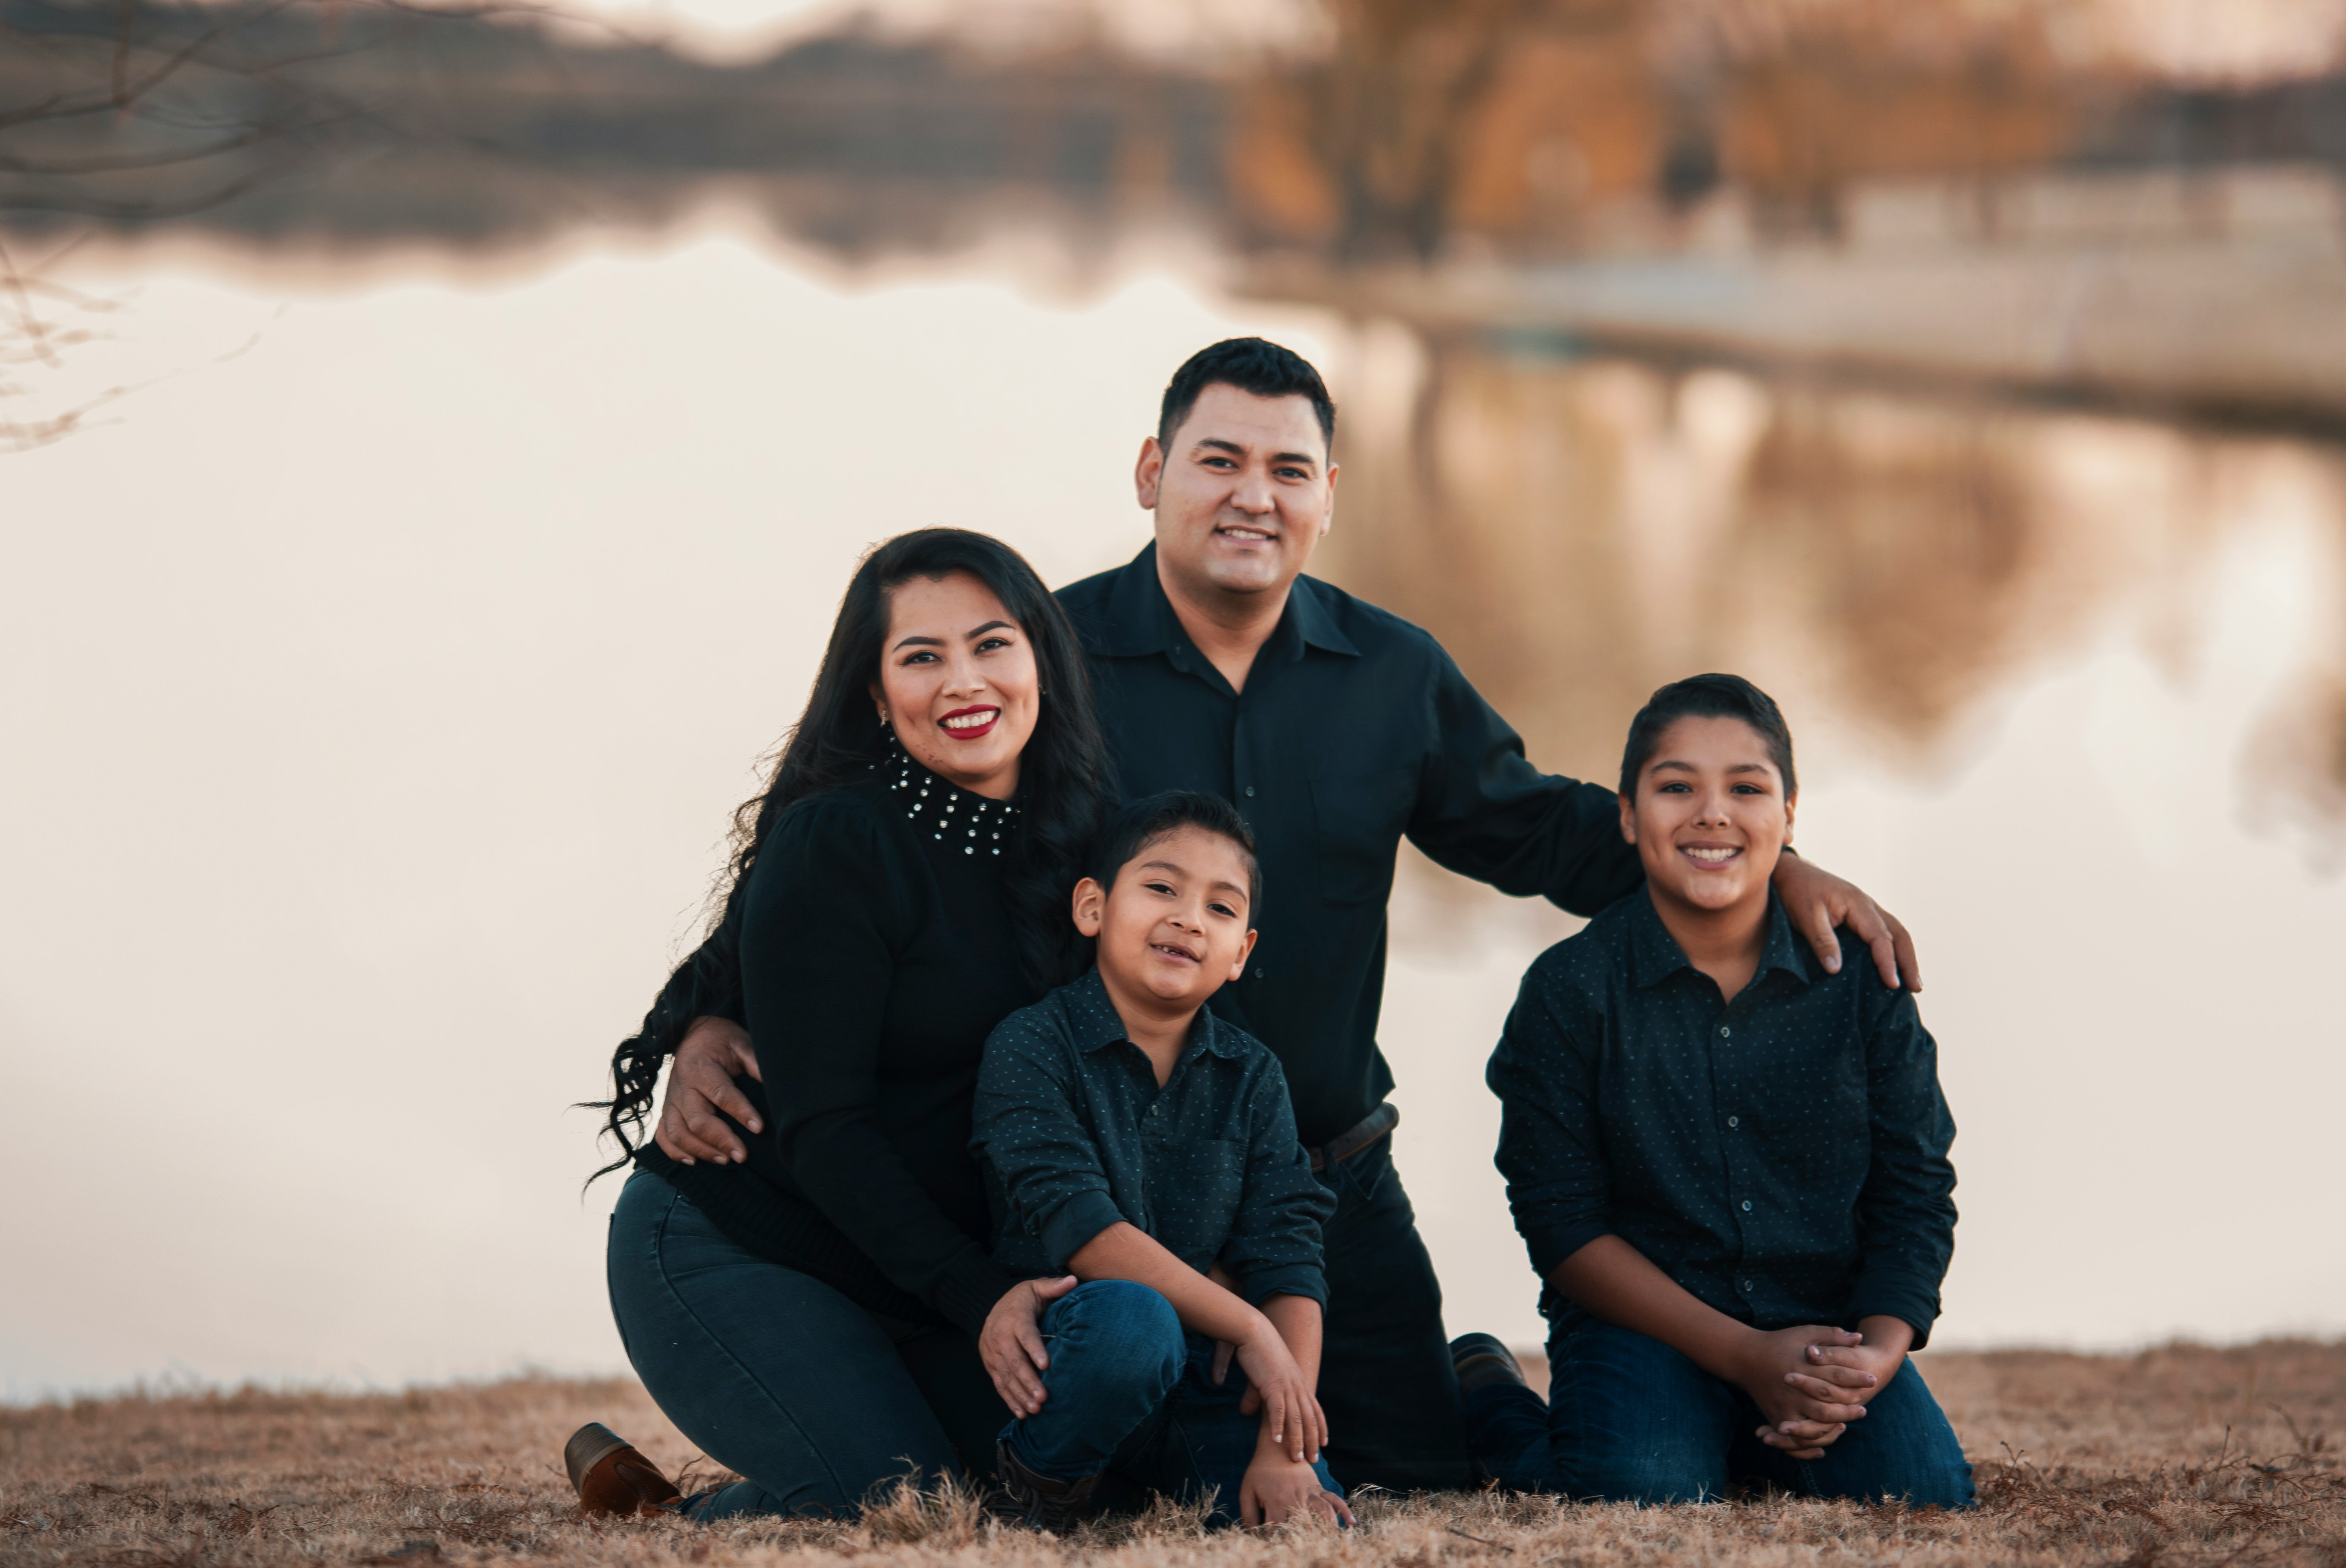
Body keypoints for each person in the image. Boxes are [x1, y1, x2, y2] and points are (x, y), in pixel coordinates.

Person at [648, 340, 1926, 1491]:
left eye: (1288, 468)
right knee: (1132, 1465)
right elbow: (877, 836)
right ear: (1152, 472)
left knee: (1423, 1470)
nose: (1252, 495)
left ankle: (1468, 1377)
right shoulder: (1048, 658)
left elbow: (1540, 830)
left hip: (1325, 1176)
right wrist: (714, 1012)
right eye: (1217, 460)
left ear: (1326, 496)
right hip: (1124, 1182)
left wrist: (1771, 866)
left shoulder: (1394, 673)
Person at [568, 528, 1112, 1519]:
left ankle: (778, 1466)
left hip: (905, 1270)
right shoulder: (839, 839)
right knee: (904, 1508)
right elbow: (826, 1126)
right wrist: (981, 1292)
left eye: (991, 644)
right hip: (737, 1243)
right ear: (872, 693)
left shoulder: (1083, 843)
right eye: (920, 656)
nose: (963, 681)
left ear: (1042, 656)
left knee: (1039, 1482)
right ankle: (660, 1517)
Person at [1457, 674, 1971, 1508]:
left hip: (1818, 1321)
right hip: (1646, 1324)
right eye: (1674, 787)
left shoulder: (1859, 981)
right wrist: (1741, 1357)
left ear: (1790, 815)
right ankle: (1485, 1391)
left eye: (1745, 787)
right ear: (1627, 815)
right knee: (1639, 1489)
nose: (1710, 813)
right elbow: (1559, 1221)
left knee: (1922, 1493)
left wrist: (1871, 1354)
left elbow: (1915, 1184)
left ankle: (1740, 1436)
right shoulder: (1568, 990)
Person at [972, 792, 1348, 1530]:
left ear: (1241, 952)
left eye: (1220, 907)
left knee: (1304, 1525)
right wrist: (1251, 1328)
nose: (1187, 918)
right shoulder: (1031, 1046)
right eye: (1161, 888)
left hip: (1206, 1380)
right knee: (1134, 1323)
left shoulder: (1252, 1075)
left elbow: (1288, 1257)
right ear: (1092, 908)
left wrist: (1284, 1448)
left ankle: (1155, 1484)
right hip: (1074, 1358)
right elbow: (1083, 1231)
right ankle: (1040, 1484)